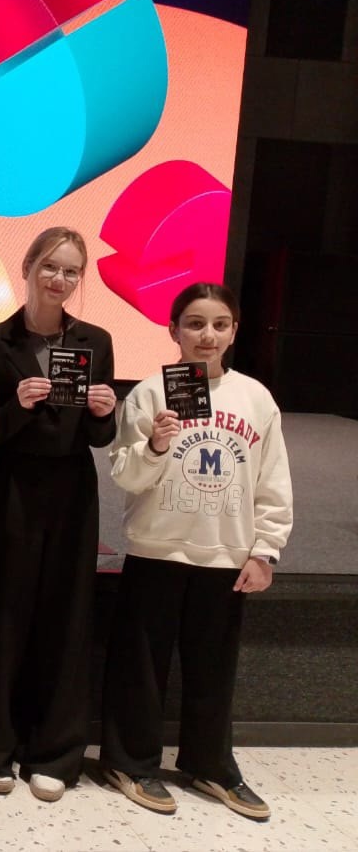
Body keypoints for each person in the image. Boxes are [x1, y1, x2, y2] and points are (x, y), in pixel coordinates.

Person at [100, 283, 292, 820]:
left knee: (213, 668)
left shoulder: (256, 398)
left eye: (220, 324)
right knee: (142, 665)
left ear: (234, 332)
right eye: (195, 323)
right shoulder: (150, 393)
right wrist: (156, 445)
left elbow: (273, 479)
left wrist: (266, 549)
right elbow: (125, 475)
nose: (208, 335)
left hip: (225, 553)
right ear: (173, 330)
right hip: (157, 549)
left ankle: (211, 765)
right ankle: (131, 762)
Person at [0, 227, 117, 801]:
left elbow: (99, 437)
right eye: (50, 266)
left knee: (67, 618)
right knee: (2, 615)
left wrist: (104, 412)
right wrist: (21, 406)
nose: (59, 279)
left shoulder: (96, 340)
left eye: (71, 271)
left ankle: (54, 752)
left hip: (73, 492)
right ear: (27, 266)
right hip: (10, 489)